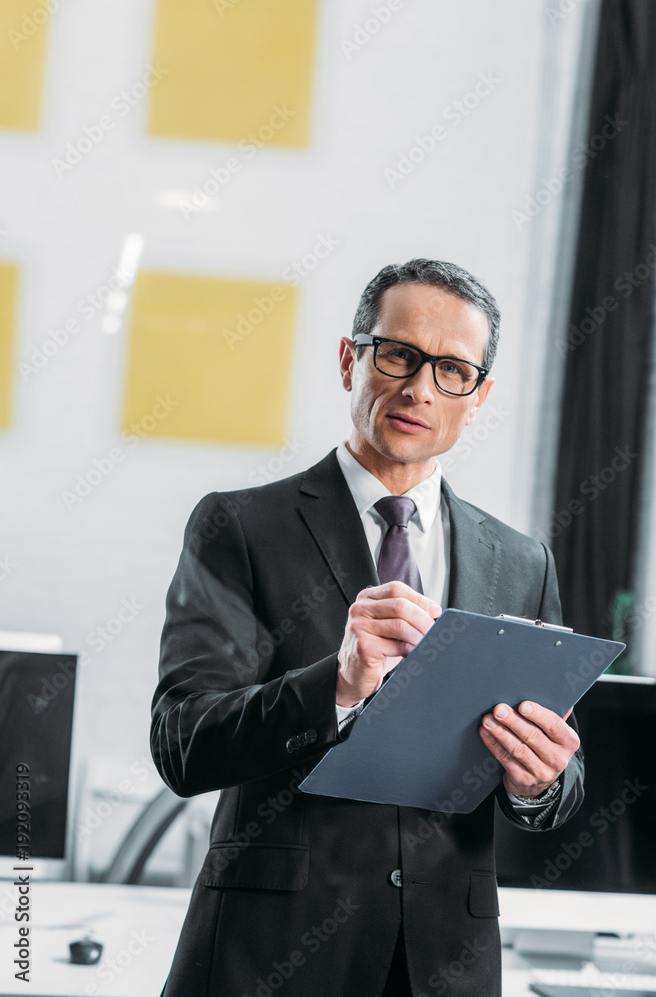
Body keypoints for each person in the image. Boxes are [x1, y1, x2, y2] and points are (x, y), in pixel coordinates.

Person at [151, 258, 584, 997]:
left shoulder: (521, 562)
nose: (419, 388)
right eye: (398, 355)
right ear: (350, 358)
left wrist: (542, 780)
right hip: (269, 957)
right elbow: (183, 744)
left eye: (452, 370)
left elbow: (561, 781)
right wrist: (338, 685)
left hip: (445, 963)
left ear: (478, 398)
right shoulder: (239, 526)